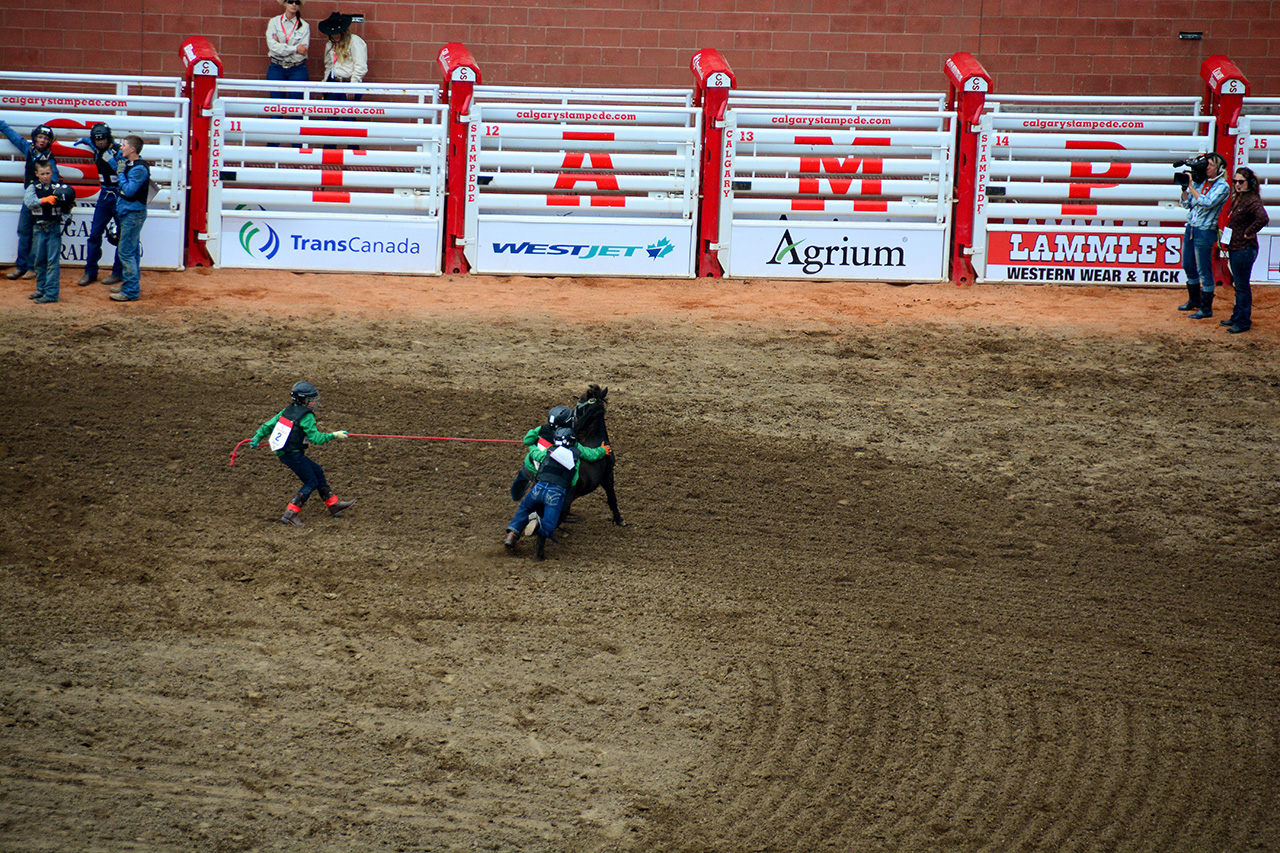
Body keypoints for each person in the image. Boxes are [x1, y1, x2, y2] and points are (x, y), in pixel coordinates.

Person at [249, 381, 353, 526]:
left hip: (285, 452)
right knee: (311, 482)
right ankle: (290, 513)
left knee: (317, 470)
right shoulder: (307, 416)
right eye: (312, 400)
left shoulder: (287, 411)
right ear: (304, 401)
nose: (315, 403)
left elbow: (268, 425)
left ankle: (333, 504)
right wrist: (335, 435)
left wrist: (256, 438)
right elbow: (316, 439)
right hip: (293, 454)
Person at [504, 426, 609, 559]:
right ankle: (537, 525)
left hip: (538, 488)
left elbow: (534, 453)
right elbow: (588, 460)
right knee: (549, 526)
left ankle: (512, 534)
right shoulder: (576, 457)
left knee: (524, 509)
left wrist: (533, 443)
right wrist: (602, 450)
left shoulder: (548, 452)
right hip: (555, 493)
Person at [0, 120, 59, 281]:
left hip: (41, 202)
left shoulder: (49, 159)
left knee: (36, 235)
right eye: (40, 137)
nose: (42, 140)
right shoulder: (29, 149)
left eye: (46, 138)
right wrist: (2, 125)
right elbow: (16, 138)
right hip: (29, 199)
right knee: (24, 231)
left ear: (49, 142)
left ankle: (32, 268)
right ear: (35, 138)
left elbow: (54, 180)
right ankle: (21, 266)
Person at [73, 123, 125, 288]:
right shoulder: (96, 147)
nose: (100, 142)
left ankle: (117, 272)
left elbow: (124, 171)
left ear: (108, 138)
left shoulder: (118, 152)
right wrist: (86, 140)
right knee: (95, 233)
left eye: (102, 139)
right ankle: (90, 271)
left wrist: (113, 163)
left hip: (118, 195)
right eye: (97, 140)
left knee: (120, 235)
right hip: (104, 195)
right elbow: (91, 143)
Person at [1178, 152, 1229, 320]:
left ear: (1219, 168)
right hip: (1192, 228)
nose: (1207, 168)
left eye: (1211, 165)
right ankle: (1194, 300)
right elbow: (1187, 204)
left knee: (1203, 269)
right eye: (1206, 164)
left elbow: (1207, 203)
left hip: (1205, 230)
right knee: (1188, 264)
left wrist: (1191, 186)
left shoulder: (1223, 186)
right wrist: (1185, 188)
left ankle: (1206, 308)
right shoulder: (1201, 183)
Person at [1219, 167, 1270, 335]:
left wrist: (1248, 232)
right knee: (1239, 284)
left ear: (1249, 183)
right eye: (1235, 182)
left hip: (1243, 248)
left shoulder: (1251, 200)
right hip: (1238, 247)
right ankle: (1238, 316)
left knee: (1241, 286)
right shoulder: (1241, 198)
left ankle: (1242, 320)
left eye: (1241, 182)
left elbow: (1263, 218)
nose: (1237, 185)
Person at [22, 159, 75, 304]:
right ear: (37, 174)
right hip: (39, 227)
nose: (45, 176)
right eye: (42, 174)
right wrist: (45, 200)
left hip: (53, 227)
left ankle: (51, 293)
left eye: (47, 173)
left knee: (52, 261)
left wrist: (66, 212)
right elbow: (29, 202)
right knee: (39, 261)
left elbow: (68, 207)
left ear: (52, 173)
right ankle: (41, 289)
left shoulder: (59, 188)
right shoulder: (33, 187)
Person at [110, 135, 150, 303]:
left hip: (133, 214)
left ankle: (131, 290)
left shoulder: (138, 169)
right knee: (131, 251)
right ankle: (129, 285)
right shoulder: (134, 165)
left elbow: (129, 190)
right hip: (131, 213)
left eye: (124, 145)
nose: (121, 148)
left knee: (126, 252)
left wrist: (120, 174)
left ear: (132, 149)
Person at [510, 405, 574, 500]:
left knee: (520, 481)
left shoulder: (541, 429)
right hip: (545, 472)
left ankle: (515, 496)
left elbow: (527, 440)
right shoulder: (567, 436)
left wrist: (533, 442)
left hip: (529, 465)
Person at [267, 0, 310, 96]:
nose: (294, 4)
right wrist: (295, 48)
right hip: (276, 67)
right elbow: (273, 47)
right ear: (285, 3)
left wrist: (280, 45)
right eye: (291, 1)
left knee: (297, 106)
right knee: (276, 105)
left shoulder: (305, 26)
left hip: (297, 68)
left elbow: (303, 50)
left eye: (297, 2)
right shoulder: (274, 22)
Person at [319, 13, 368, 94]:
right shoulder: (330, 44)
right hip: (334, 82)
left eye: (338, 32)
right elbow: (328, 66)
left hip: (349, 82)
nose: (335, 35)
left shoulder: (355, 41)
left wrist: (353, 87)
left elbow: (360, 66)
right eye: (333, 33)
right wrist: (325, 85)